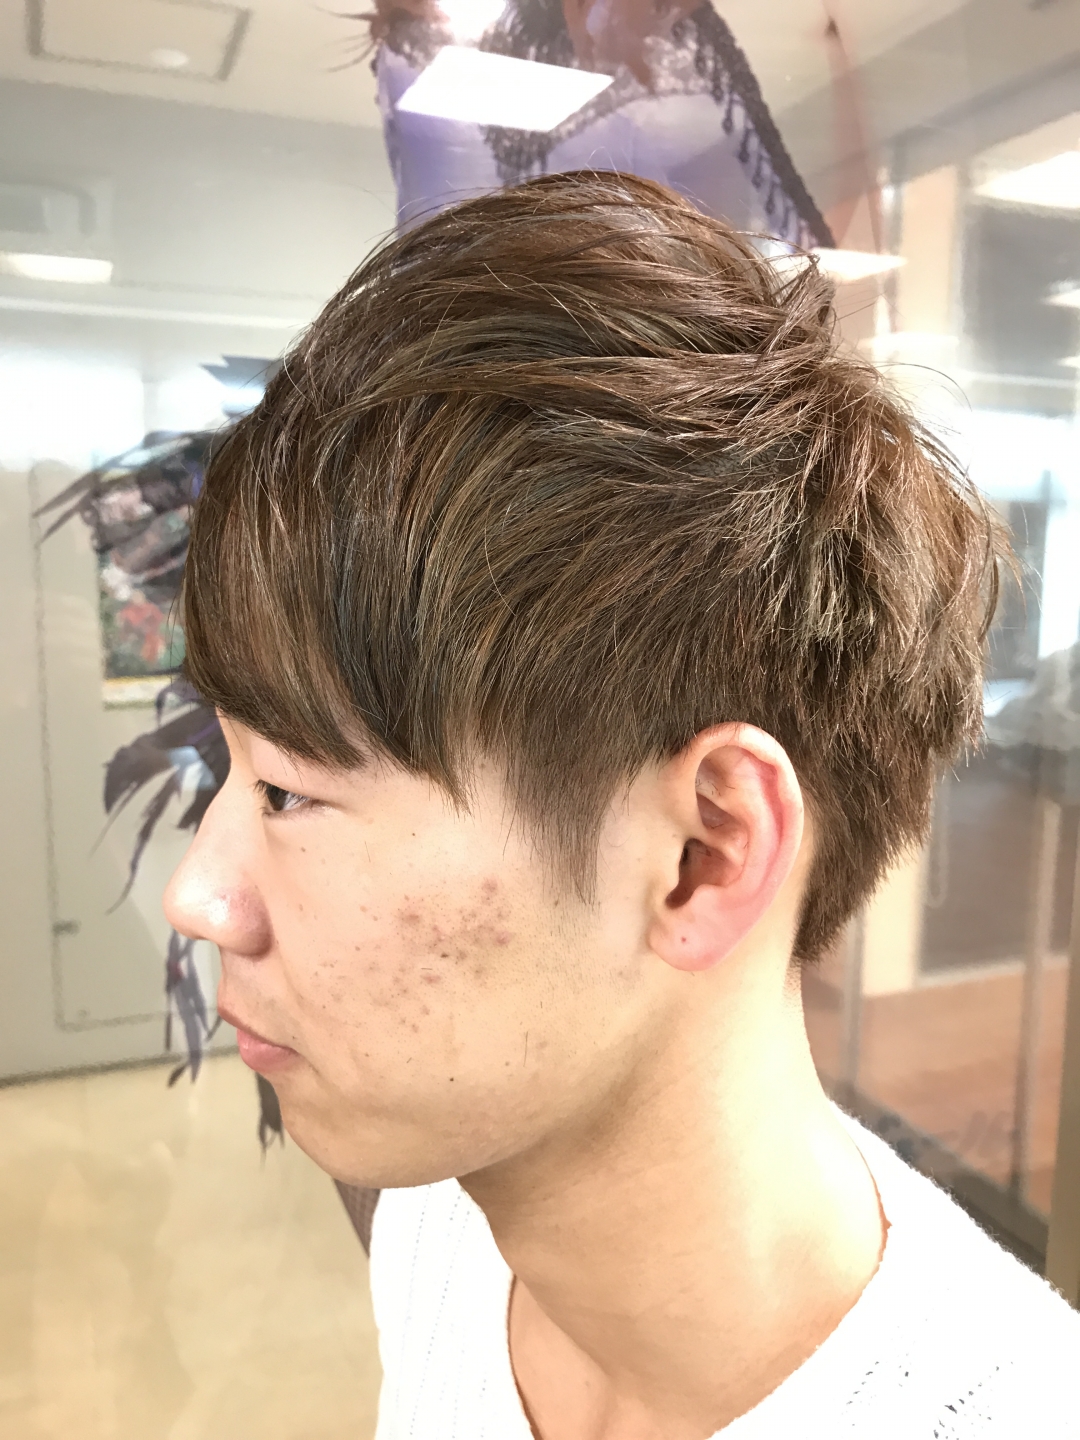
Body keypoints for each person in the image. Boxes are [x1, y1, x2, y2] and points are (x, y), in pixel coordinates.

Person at [164, 171, 1080, 1439]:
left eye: (288, 790)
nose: (200, 896)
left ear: (705, 854)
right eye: (234, 769)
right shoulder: (442, 1222)